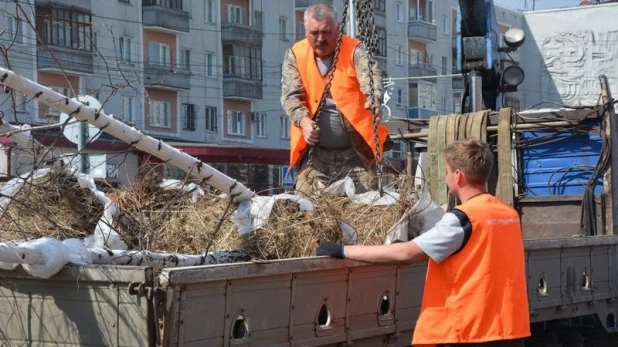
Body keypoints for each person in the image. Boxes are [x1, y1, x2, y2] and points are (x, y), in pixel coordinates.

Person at [317, 138, 531, 347]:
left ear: (458, 176)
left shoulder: (462, 219)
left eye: (447, 171)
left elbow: (407, 254)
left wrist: (343, 250)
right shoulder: (508, 214)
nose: (446, 177)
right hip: (509, 329)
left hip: (470, 332)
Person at [280, 2, 390, 197]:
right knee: (306, 206)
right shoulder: (296, 55)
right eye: (315, 33)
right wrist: (304, 122)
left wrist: (374, 98)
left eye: (326, 32)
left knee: (368, 207)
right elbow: (291, 97)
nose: (320, 39)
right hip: (315, 155)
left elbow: (370, 75)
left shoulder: (356, 50)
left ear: (338, 29)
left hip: (356, 154)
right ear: (305, 30)